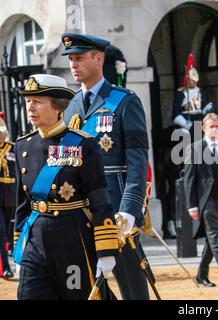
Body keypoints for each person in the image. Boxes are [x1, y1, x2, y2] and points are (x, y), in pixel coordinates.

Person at [61, 33, 150, 300]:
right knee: (83, 285)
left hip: (115, 212)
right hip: (80, 211)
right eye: (70, 59)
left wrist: (130, 211)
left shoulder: (124, 101)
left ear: (98, 59)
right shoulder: (70, 105)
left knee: (132, 287)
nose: (73, 65)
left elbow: (137, 161)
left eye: (79, 58)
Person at [13, 74, 118, 299]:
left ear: (58, 106)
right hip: (35, 241)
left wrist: (106, 250)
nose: (30, 107)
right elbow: (22, 204)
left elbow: (100, 200)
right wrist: (19, 247)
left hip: (73, 239)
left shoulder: (83, 144)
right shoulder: (23, 146)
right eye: (28, 101)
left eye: (38, 101)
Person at [184, 113, 218, 288]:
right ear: (204, 129)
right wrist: (191, 205)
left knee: (211, 240)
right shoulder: (194, 148)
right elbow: (189, 178)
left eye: (217, 126)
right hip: (205, 201)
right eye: (211, 126)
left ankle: (201, 275)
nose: (214, 129)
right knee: (215, 238)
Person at [172, 53, 214, 135]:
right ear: (187, 80)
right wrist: (185, 123)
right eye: (192, 80)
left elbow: (204, 108)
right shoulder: (181, 93)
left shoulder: (201, 92)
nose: (195, 82)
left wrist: (207, 108)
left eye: (196, 80)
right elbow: (176, 112)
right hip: (186, 122)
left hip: (200, 122)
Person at [0, 114, 15, 279]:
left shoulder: (12, 147)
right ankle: (5, 268)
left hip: (10, 195)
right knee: (1, 231)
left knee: (9, 232)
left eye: (2, 130)